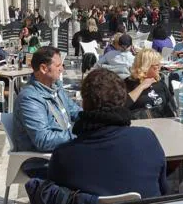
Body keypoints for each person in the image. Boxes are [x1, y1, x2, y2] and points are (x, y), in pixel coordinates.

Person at [48, 68, 168, 198]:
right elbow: (163, 188)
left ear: (84, 103)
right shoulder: (146, 139)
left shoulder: (63, 155)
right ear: (122, 101)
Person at [13, 46, 81, 177]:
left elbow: (74, 111)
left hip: (64, 152)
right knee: (97, 164)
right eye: (58, 65)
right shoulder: (30, 98)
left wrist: (97, 119)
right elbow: (43, 140)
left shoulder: (55, 87)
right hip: (42, 162)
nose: (62, 69)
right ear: (44, 68)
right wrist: (78, 134)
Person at [125, 49, 176, 119]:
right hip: (140, 124)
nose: (160, 67)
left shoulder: (159, 81)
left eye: (160, 64)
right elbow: (123, 105)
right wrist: (141, 86)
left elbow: (171, 105)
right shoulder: (129, 82)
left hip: (161, 123)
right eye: (157, 65)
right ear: (146, 66)